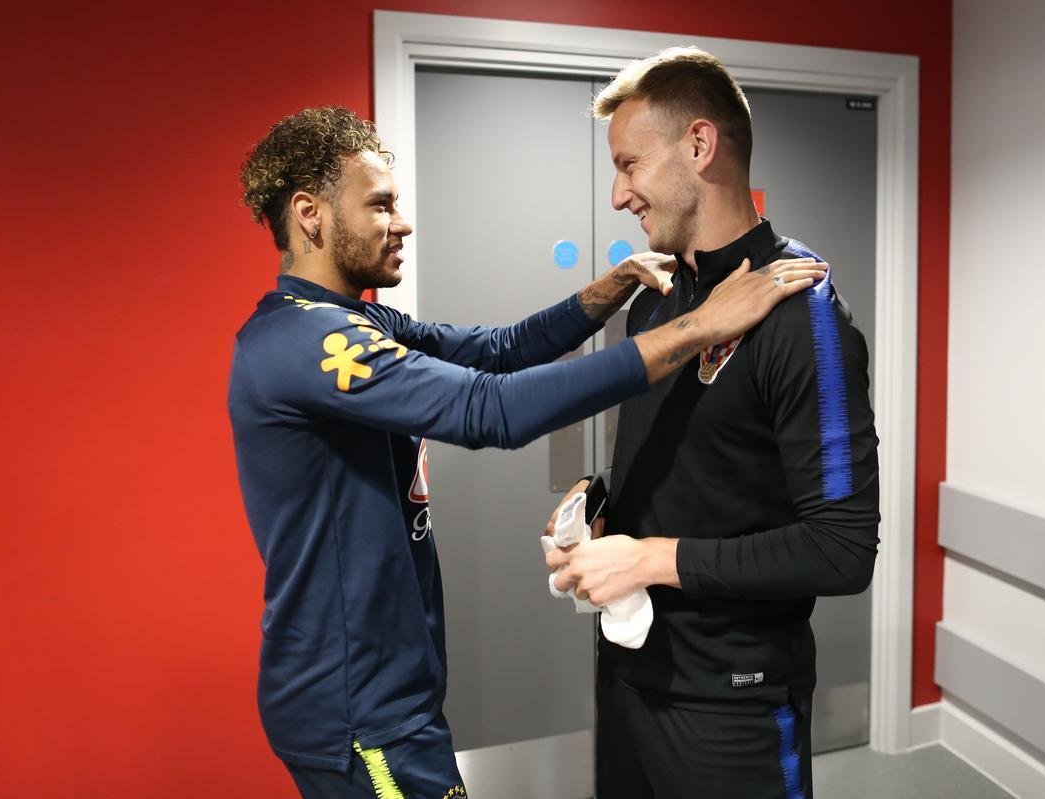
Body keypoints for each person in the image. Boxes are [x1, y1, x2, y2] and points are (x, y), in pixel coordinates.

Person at [228, 105, 825, 798]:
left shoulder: (355, 320)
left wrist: (608, 290)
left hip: (388, 687)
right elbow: (493, 408)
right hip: (356, 707)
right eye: (382, 205)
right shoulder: (304, 345)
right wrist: (698, 326)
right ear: (311, 213)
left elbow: (499, 352)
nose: (403, 222)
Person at [544, 48, 880, 799]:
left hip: (733, 707)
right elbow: (697, 463)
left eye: (631, 164)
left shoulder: (804, 318)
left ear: (699, 146)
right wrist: (597, 510)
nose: (618, 193)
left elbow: (843, 549)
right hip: (630, 676)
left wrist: (650, 558)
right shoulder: (658, 303)